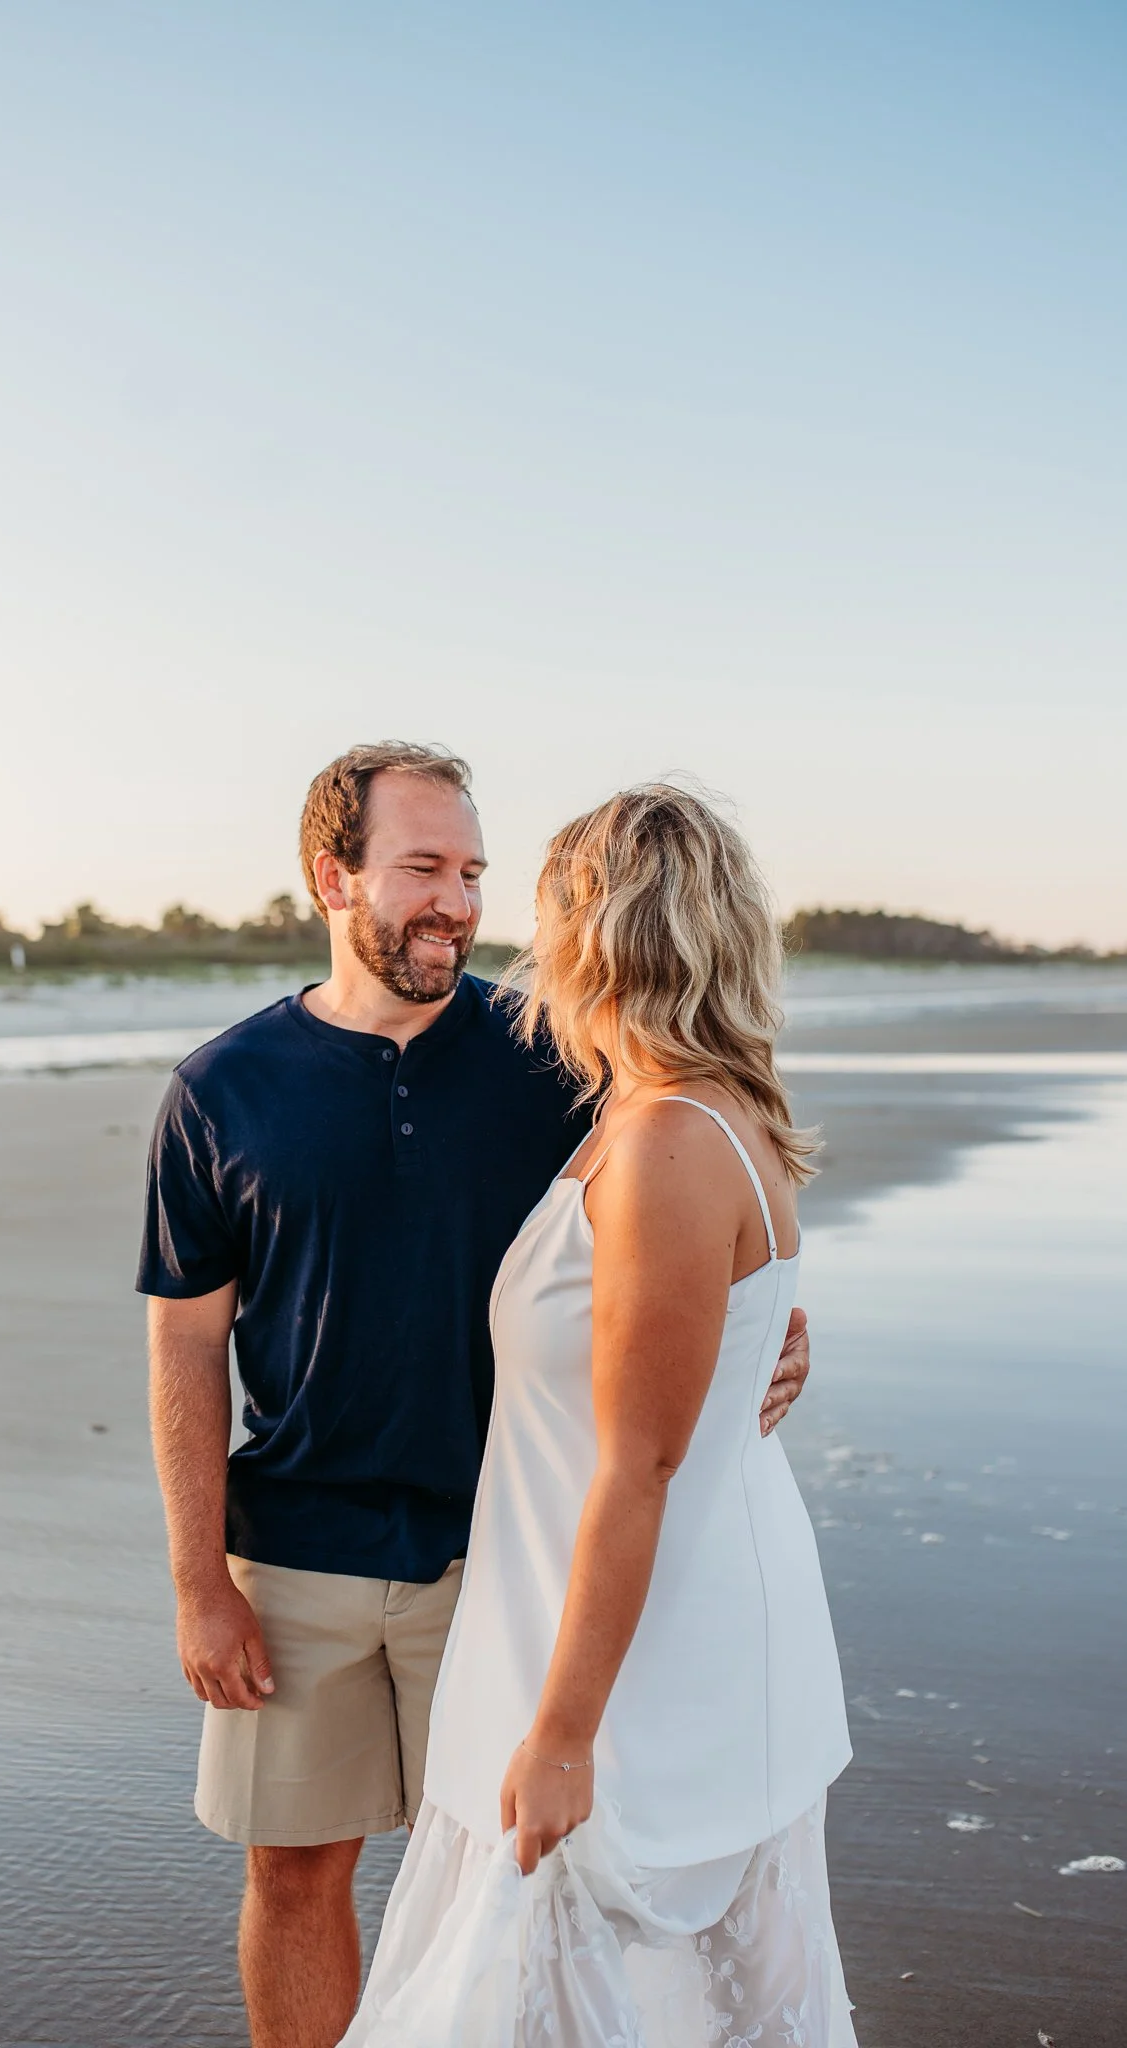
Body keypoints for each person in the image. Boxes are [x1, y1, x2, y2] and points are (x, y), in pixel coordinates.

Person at [137, 744, 813, 2048]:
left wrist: (770, 1322)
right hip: (299, 1553)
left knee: (532, 1883)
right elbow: (184, 1351)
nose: (456, 900)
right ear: (334, 878)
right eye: (423, 869)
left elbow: (705, 1179)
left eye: (473, 872)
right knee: (293, 1873)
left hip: (515, 1551)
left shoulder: (557, 1051)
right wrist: (197, 1579)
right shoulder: (219, 1091)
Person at [341, 782, 855, 2047]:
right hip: (644, 1603)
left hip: (641, 1648)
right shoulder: (675, 1108)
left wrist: (563, 1730)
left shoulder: (672, 1135)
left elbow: (640, 1464)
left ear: (594, 927)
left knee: (537, 1985)